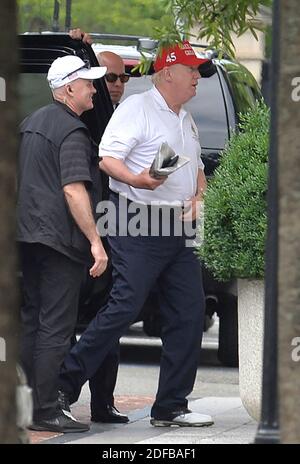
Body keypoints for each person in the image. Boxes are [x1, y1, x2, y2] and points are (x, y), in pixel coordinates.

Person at [59, 40, 214, 428]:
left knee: (190, 312)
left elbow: (194, 167)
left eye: (198, 71)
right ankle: (62, 387)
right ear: (167, 74)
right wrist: (140, 180)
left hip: (179, 225)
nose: (197, 78)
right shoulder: (137, 109)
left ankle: (172, 406)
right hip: (136, 218)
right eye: (191, 70)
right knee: (125, 307)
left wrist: (199, 195)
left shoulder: (185, 117)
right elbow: (107, 159)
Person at [17, 54, 108, 433]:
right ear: (69, 88)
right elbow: (73, 190)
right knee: (56, 325)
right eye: (88, 83)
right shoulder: (73, 130)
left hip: (25, 237)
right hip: (58, 240)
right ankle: (45, 409)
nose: (93, 90)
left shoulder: (30, 122)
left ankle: (23, 404)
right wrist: (95, 242)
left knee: (30, 321)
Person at [67, 29, 129, 424]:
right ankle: (59, 392)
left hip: (115, 231)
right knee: (61, 322)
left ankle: (101, 402)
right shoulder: (87, 116)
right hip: (79, 231)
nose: (116, 85)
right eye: (108, 78)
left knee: (106, 323)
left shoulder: (133, 115)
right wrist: (83, 49)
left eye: (123, 77)